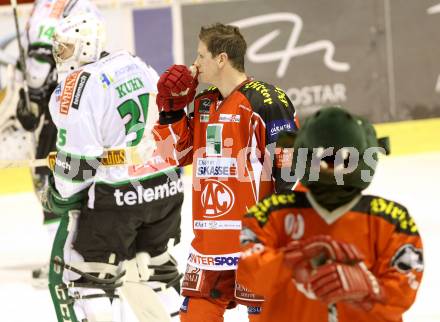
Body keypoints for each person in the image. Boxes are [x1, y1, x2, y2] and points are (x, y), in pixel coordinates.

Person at [153, 23, 299, 321]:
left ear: (221, 59)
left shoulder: (267, 101)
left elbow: (291, 169)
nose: (194, 65)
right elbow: (173, 155)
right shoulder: (204, 102)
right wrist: (171, 112)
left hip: (257, 245)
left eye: (200, 56)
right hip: (209, 248)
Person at [43, 13, 183, 321]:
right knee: (155, 271)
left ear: (85, 47)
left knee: (87, 279)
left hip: (119, 195)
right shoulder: (134, 62)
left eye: (65, 47)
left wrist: (59, 194)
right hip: (165, 185)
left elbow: (79, 162)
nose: (58, 54)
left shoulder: (75, 85)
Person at [236, 106, 424, 322]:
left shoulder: (393, 222)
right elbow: (248, 278)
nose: (333, 169)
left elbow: (403, 295)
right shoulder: (269, 215)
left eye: (344, 160)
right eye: (323, 159)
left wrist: (371, 289)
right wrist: (289, 262)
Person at [14, 0, 101, 283]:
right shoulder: (81, 4)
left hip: (62, 102)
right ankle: (78, 254)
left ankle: (66, 258)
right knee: (77, 179)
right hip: (80, 98)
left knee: (52, 180)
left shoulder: (53, 7)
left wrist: (34, 98)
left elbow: (40, 61)